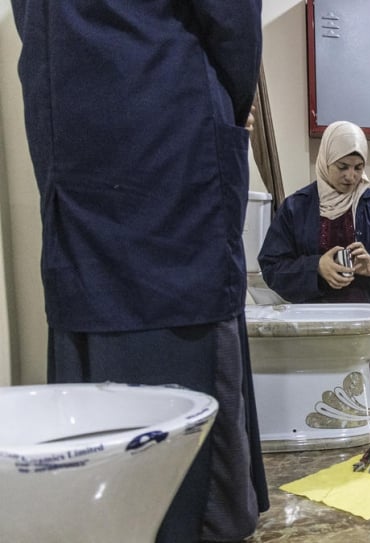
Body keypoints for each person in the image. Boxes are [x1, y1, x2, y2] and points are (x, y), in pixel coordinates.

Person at [11, 2, 269, 542]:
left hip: (66, 105)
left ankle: (110, 515)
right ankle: (189, 519)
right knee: (183, 303)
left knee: (91, 303)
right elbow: (232, 22)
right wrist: (232, 100)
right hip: (164, 101)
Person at [258, 121, 370, 418]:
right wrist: (316, 266)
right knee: (313, 399)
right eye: (342, 167)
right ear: (325, 162)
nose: (351, 177)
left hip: (368, 311)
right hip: (314, 311)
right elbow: (272, 266)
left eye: (358, 167)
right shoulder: (296, 208)